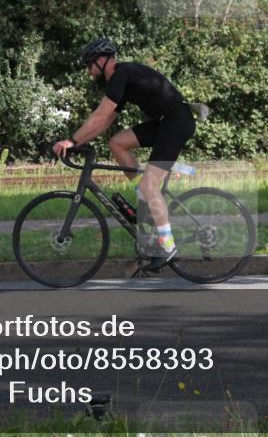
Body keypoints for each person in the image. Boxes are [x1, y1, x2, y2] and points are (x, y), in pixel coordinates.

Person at [52, 37, 196, 271]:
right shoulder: (120, 78)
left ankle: (168, 246)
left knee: (151, 186)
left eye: (89, 64)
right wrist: (78, 142)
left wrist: (72, 140)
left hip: (175, 123)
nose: (89, 71)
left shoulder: (121, 74)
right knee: (117, 143)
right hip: (165, 122)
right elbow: (106, 120)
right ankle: (144, 196)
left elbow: (100, 116)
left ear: (101, 61)